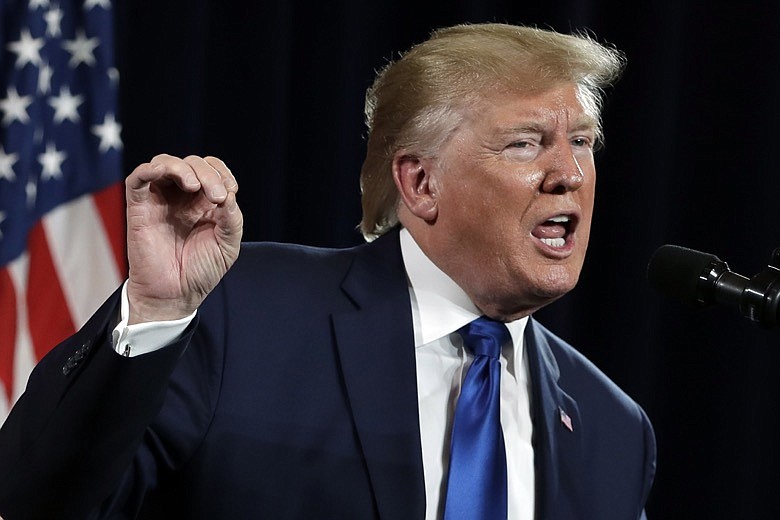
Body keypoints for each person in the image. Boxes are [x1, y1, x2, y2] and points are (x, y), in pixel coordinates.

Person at [0, 23, 655, 519]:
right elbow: (37, 498)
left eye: (583, 142)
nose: (569, 174)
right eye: (526, 143)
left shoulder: (612, 430)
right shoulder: (241, 315)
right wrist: (152, 313)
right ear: (421, 183)